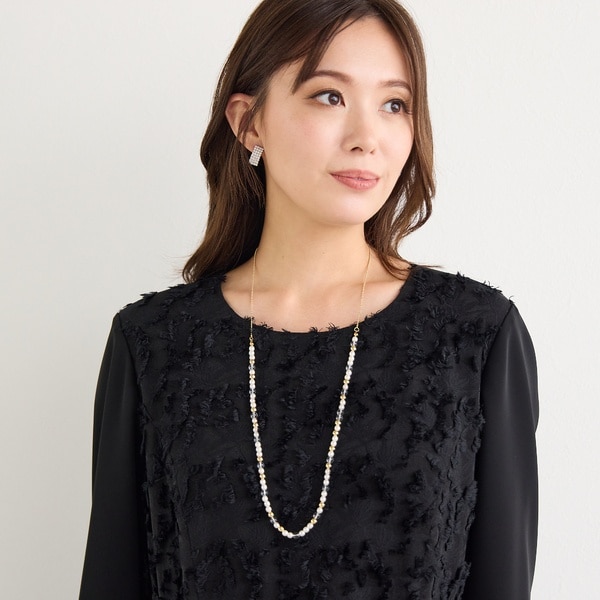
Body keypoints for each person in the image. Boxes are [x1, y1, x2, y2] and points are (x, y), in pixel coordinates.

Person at [79, 0, 538, 598]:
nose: (366, 138)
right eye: (329, 96)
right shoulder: (152, 342)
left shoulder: (476, 335)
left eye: (394, 104)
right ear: (249, 123)